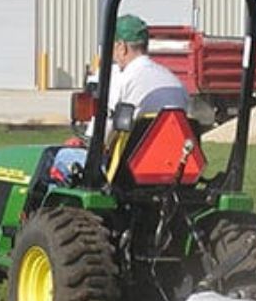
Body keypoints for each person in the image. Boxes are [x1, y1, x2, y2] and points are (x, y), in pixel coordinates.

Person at [52, 14, 189, 182]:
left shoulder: (119, 80)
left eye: (114, 48)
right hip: (171, 170)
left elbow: (100, 137)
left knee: (61, 157)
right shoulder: (175, 83)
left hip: (123, 173)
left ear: (122, 47)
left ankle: (44, 207)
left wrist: (84, 142)